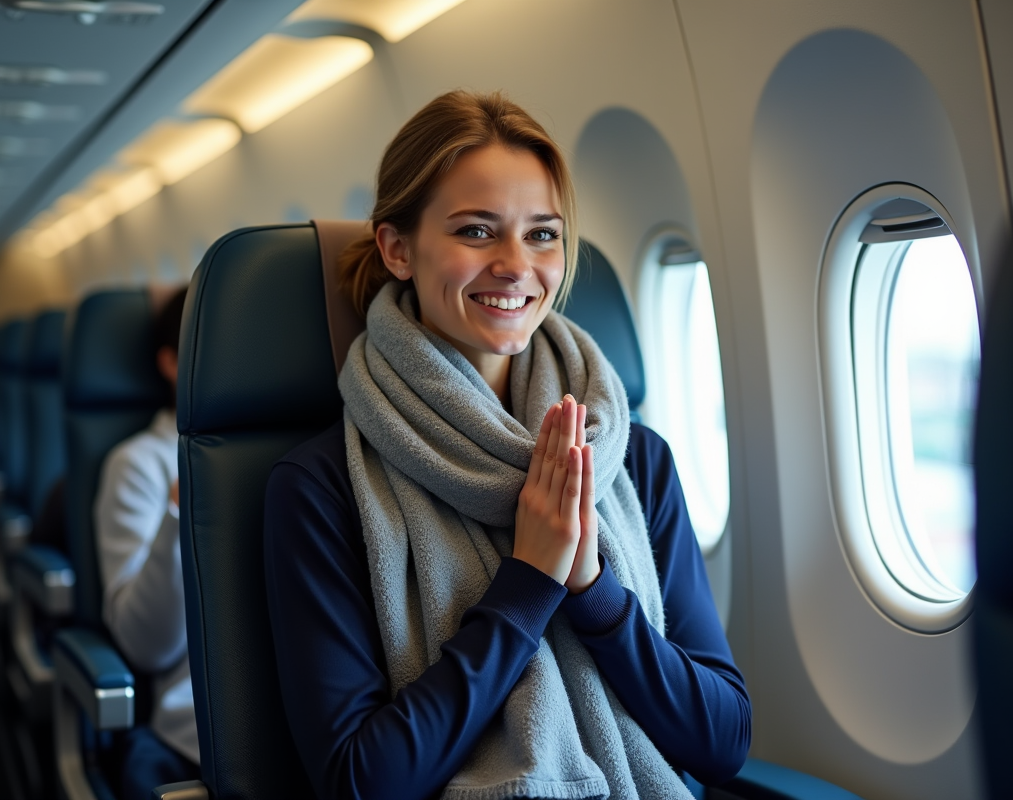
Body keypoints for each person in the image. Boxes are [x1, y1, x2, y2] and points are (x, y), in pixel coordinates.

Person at [263, 90, 751, 800]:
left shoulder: (631, 460)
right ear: (397, 248)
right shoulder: (321, 486)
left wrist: (592, 589)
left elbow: (724, 741)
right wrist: (528, 585)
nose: (517, 266)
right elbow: (361, 782)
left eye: (542, 234)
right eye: (477, 231)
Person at [93, 287, 201, 800]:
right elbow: (146, 644)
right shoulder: (139, 465)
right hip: (194, 731)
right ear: (170, 364)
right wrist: (179, 508)